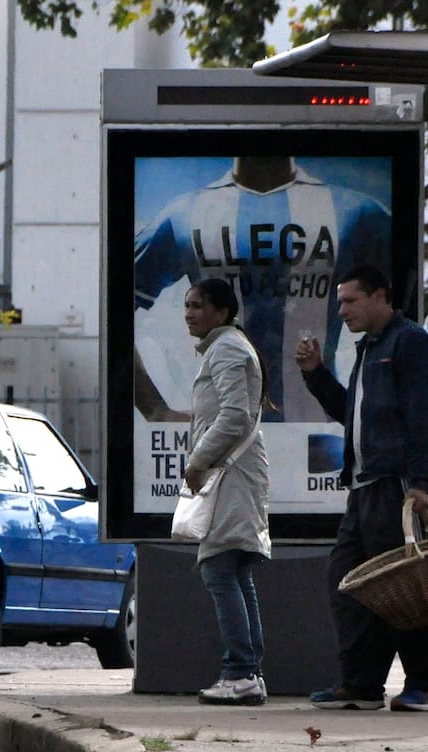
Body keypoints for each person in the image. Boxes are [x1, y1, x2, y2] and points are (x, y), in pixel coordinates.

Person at [294, 265, 428, 712]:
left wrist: (422, 482)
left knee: (410, 586)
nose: (342, 310)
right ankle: (362, 683)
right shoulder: (370, 348)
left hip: (398, 486)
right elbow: (353, 415)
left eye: (351, 300)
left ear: (380, 296)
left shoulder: (410, 343)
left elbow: (426, 415)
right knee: (348, 581)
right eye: (340, 302)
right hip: (365, 487)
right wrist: (315, 374)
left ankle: (425, 685)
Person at [134, 156, 393, 422]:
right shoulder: (185, 215)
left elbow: (402, 323)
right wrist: (155, 410)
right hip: (222, 432)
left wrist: (381, 419)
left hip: (318, 433)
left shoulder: (357, 213)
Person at [182, 278, 273, 706]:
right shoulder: (223, 348)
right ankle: (249, 672)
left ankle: (240, 671)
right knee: (233, 570)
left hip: (231, 476)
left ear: (221, 312)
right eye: (187, 306)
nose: (189, 314)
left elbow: (235, 415)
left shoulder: (228, 349)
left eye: (198, 306)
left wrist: (197, 461)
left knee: (219, 568)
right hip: (233, 474)